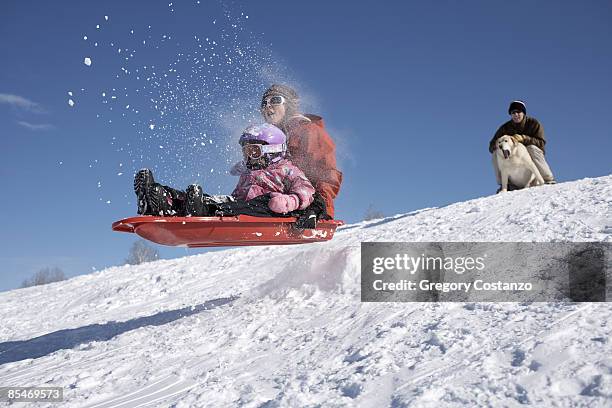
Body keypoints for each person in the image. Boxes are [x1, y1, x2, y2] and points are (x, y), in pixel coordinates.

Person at [134, 123, 318, 220]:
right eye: (246, 152)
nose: (249, 157)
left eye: (254, 151)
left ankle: (201, 209)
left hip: (266, 210)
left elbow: (307, 191)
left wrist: (289, 201)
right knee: (215, 200)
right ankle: (164, 200)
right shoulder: (249, 172)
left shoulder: (287, 170)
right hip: (240, 205)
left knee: (251, 203)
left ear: (273, 151)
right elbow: (237, 196)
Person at [257, 84, 342, 218]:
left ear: (288, 105)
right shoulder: (267, 140)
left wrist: (319, 206)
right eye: (264, 103)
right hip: (274, 203)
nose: (268, 106)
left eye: (275, 100)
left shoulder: (309, 131)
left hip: (305, 208)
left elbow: (327, 173)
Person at [489, 100, 556, 191]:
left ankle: (547, 179)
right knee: (495, 153)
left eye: (518, 112)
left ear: (523, 113)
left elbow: (541, 142)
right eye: (513, 113)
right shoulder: (505, 128)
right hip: (512, 158)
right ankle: (506, 184)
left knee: (531, 148)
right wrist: (498, 145)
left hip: (529, 156)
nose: (516, 115)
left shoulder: (533, 123)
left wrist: (524, 138)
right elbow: (491, 145)